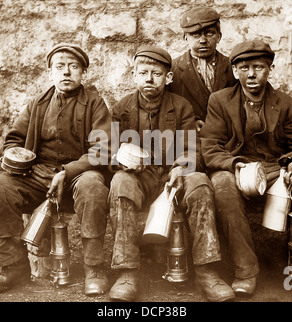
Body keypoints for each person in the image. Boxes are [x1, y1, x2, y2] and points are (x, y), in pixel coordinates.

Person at [107, 45, 235, 302]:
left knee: (199, 182)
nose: (149, 79)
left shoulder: (181, 106)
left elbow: (192, 150)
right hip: (138, 177)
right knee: (120, 183)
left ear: (169, 77)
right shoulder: (122, 107)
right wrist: (121, 162)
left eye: (156, 73)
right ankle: (127, 272)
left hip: (173, 176)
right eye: (143, 73)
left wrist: (181, 166)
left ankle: (207, 271)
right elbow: (107, 150)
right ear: (134, 75)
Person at [0, 43, 112, 296]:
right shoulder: (37, 103)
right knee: (0, 186)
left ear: (83, 73)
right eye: (60, 67)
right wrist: (19, 159)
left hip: (78, 175)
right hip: (37, 175)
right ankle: (12, 266)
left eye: (73, 67)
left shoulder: (95, 103)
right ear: (50, 73)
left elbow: (103, 150)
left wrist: (66, 172)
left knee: (93, 187)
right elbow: (13, 140)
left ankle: (94, 268)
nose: (66, 72)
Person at [200, 39, 292, 296]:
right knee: (222, 188)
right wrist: (236, 164)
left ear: (270, 68)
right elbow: (210, 146)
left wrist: (290, 163)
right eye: (244, 68)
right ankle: (246, 271)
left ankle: (289, 271)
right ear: (235, 71)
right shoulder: (220, 100)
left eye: (259, 67)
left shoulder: (285, 103)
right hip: (234, 167)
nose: (251, 74)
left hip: (275, 168)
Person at [169, 6, 236, 132]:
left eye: (209, 33)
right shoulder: (173, 69)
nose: (203, 40)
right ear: (185, 38)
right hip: (188, 138)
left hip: (225, 138)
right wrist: (188, 122)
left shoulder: (233, 67)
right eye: (195, 35)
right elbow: (166, 107)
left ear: (219, 36)